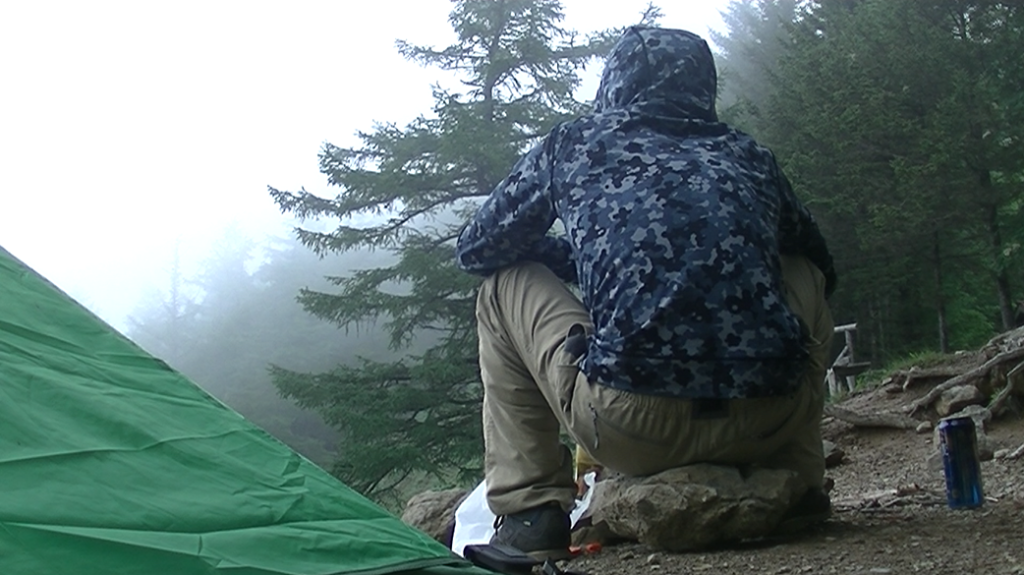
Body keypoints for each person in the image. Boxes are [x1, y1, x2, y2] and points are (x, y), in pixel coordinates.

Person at [455, 26, 836, 560]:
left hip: (632, 427)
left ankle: (531, 512)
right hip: (770, 416)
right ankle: (798, 479)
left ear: (614, 85)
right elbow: (818, 260)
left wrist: (573, 258)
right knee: (805, 270)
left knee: (500, 288)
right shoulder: (749, 156)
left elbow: (477, 249)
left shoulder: (574, 143)